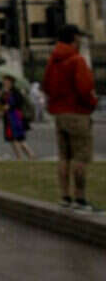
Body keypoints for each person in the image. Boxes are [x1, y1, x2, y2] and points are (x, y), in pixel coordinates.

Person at [42, 24, 100, 212]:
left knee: (64, 157)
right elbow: (85, 88)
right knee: (80, 157)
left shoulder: (53, 60)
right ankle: (80, 198)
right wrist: (92, 103)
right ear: (74, 38)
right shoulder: (76, 60)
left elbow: (46, 85)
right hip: (77, 112)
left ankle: (65, 196)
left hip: (59, 114)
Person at [0, 76, 35, 160]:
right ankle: (20, 157)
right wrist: (2, 94)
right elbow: (1, 102)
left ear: (11, 82)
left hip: (15, 116)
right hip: (8, 117)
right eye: (4, 81)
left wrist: (10, 106)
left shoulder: (16, 92)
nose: (5, 83)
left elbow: (19, 102)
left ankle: (29, 155)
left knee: (18, 138)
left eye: (6, 81)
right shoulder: (4, 92)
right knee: (11, 138)